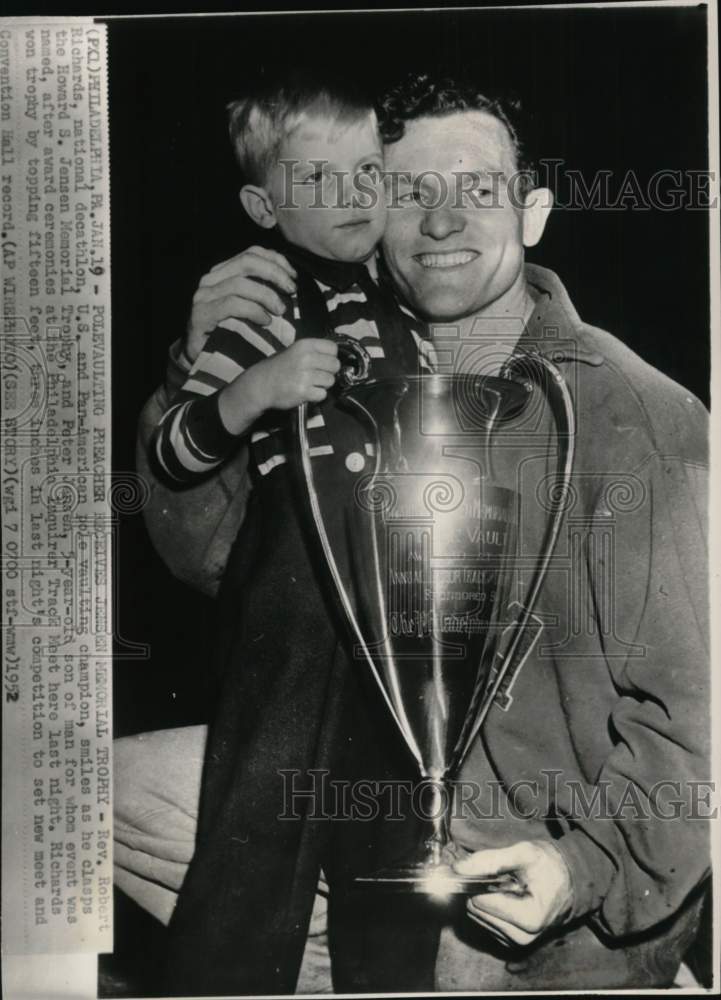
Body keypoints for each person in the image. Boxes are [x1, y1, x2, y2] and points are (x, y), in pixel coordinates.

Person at [117, 74, 710, 993]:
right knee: (92, 791)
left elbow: (698, 727)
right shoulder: (360, 362)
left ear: (534, 213)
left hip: (531, 854)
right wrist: (210, 378)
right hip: (375, 785)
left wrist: (582, 872)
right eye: (404, 191)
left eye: (476, 190)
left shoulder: (637, 415)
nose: (439, 223)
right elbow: (221, 561)